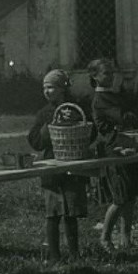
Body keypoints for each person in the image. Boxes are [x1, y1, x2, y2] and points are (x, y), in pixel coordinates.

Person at [89, 58, 138, 251]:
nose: (110, 77)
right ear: (95, 77)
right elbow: (123, 117)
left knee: (131, 195)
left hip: (128, 145)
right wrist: (130, 117)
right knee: (120, 197)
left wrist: (133, 119)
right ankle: (105, 237)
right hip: (114, 150)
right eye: (105, 73)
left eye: (112, 73)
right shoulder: (99, 100)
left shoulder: (114, 95)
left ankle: (126, 238)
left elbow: (133, 116)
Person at [28, 69, 89, 261]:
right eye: (44, 88)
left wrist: (77, 121)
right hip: (51, 167)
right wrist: (48, 128)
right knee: (52, 212)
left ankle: (74, 253)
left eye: (51, 87)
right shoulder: (44, 113)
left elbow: (90, 131)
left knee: (70, 212)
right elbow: (35, 140)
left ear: (62, 89)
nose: (47, 91)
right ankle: (54, 255)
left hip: (72, 163)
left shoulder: (75, 109)